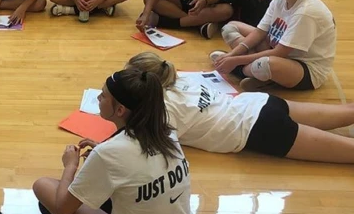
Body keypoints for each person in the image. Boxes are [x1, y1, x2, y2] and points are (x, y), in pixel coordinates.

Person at [32, 69, 194, 214]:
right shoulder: (167, 131)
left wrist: (70, 166)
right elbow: (140, 164)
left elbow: (64, 207)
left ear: (120, 110)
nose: (98, 98)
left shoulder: (108, 153)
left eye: (103, 96)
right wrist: (103, 150)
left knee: (44, 189)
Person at [127, 52, 354, 163]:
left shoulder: (162, 109)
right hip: (259, 102)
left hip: (258, 129)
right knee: (347, 111)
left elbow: (156, 149)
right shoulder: (177, 78)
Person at [210, 0, 336, 92]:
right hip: (275, 50)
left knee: (266, 64)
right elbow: (259, 32)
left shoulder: (306, 12)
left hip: (305, 69)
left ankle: (240, 71)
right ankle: (259, 76)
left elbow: (280, 53)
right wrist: (232, 55)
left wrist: (236, 61)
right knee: (231, 27)